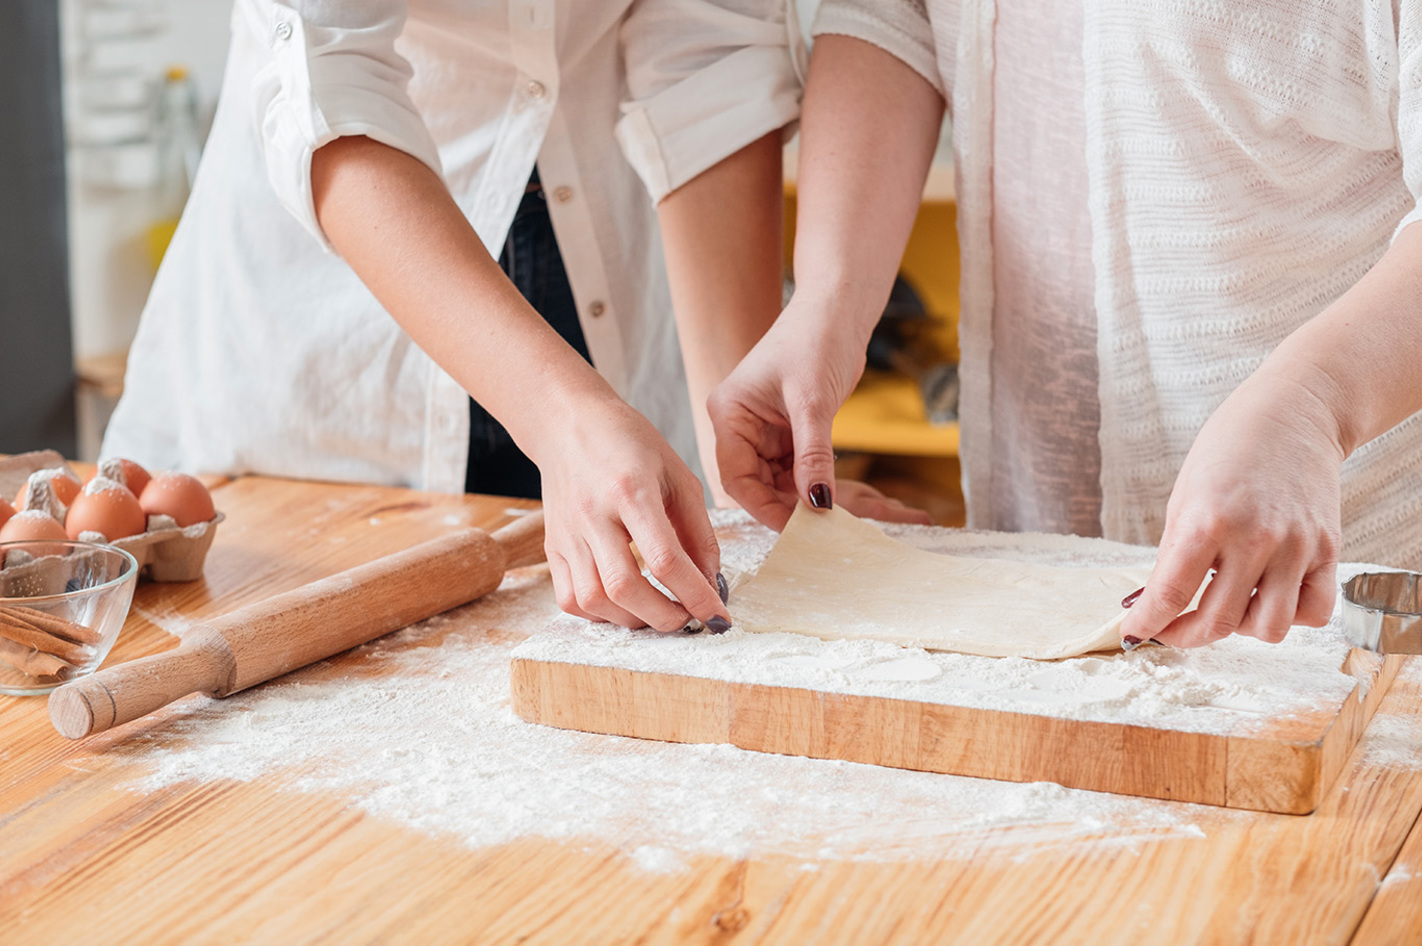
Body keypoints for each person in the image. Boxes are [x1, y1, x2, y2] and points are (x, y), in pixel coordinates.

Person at [709, 0, 1422, 649]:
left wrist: (1313, 405)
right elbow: (896, 18)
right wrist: (829, 301)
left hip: (1350, 600)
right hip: (1029, 550)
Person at [104, 0, 829, 632]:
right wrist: (561, 416)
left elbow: (708, 57)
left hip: (615, 310)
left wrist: (733, 449)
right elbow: (327, 79)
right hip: (342, 329)